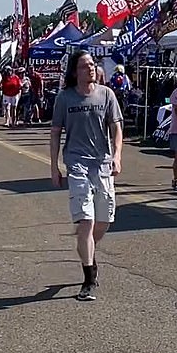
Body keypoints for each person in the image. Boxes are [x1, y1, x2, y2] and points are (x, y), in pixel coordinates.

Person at [50, 51, 123, 301]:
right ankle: (89, 278)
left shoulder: (106, 94)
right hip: (76, 163)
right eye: (84, 66)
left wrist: (117, 156)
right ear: (74, 72)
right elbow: (55, 133)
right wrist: (54, 166)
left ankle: (87, 249)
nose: (90, 69)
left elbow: (116, 127)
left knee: (105, 219)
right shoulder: (64, 98)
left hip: (102, 164)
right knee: (86, 220)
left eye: (92, 65)